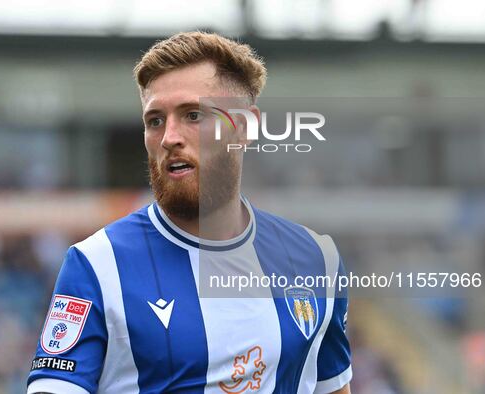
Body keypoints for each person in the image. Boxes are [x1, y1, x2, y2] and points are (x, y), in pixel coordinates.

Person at [27, 31, 352, 394]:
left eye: (193, 115)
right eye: (155, 121)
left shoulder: (315, 259)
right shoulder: (97, 265)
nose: (169, 138)